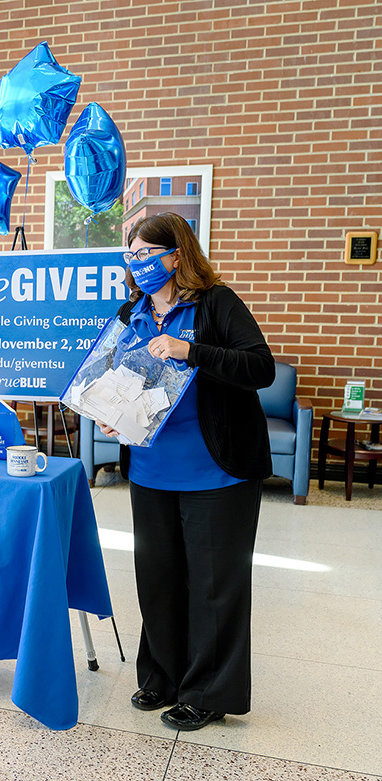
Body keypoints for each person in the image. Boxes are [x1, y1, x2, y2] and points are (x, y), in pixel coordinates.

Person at [94, 211, 274, 731]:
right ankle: (161, 678)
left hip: (216, 472)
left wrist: (190, 350)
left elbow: (259, 367)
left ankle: (207, 691)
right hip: (151, 470)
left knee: (214, 584)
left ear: (178, 255)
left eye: (149, 253)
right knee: (158, 579)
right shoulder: (131, 313)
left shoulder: (216, 303)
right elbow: (124, 381)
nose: (139, 263)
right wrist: (114, 412)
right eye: (132, 255)